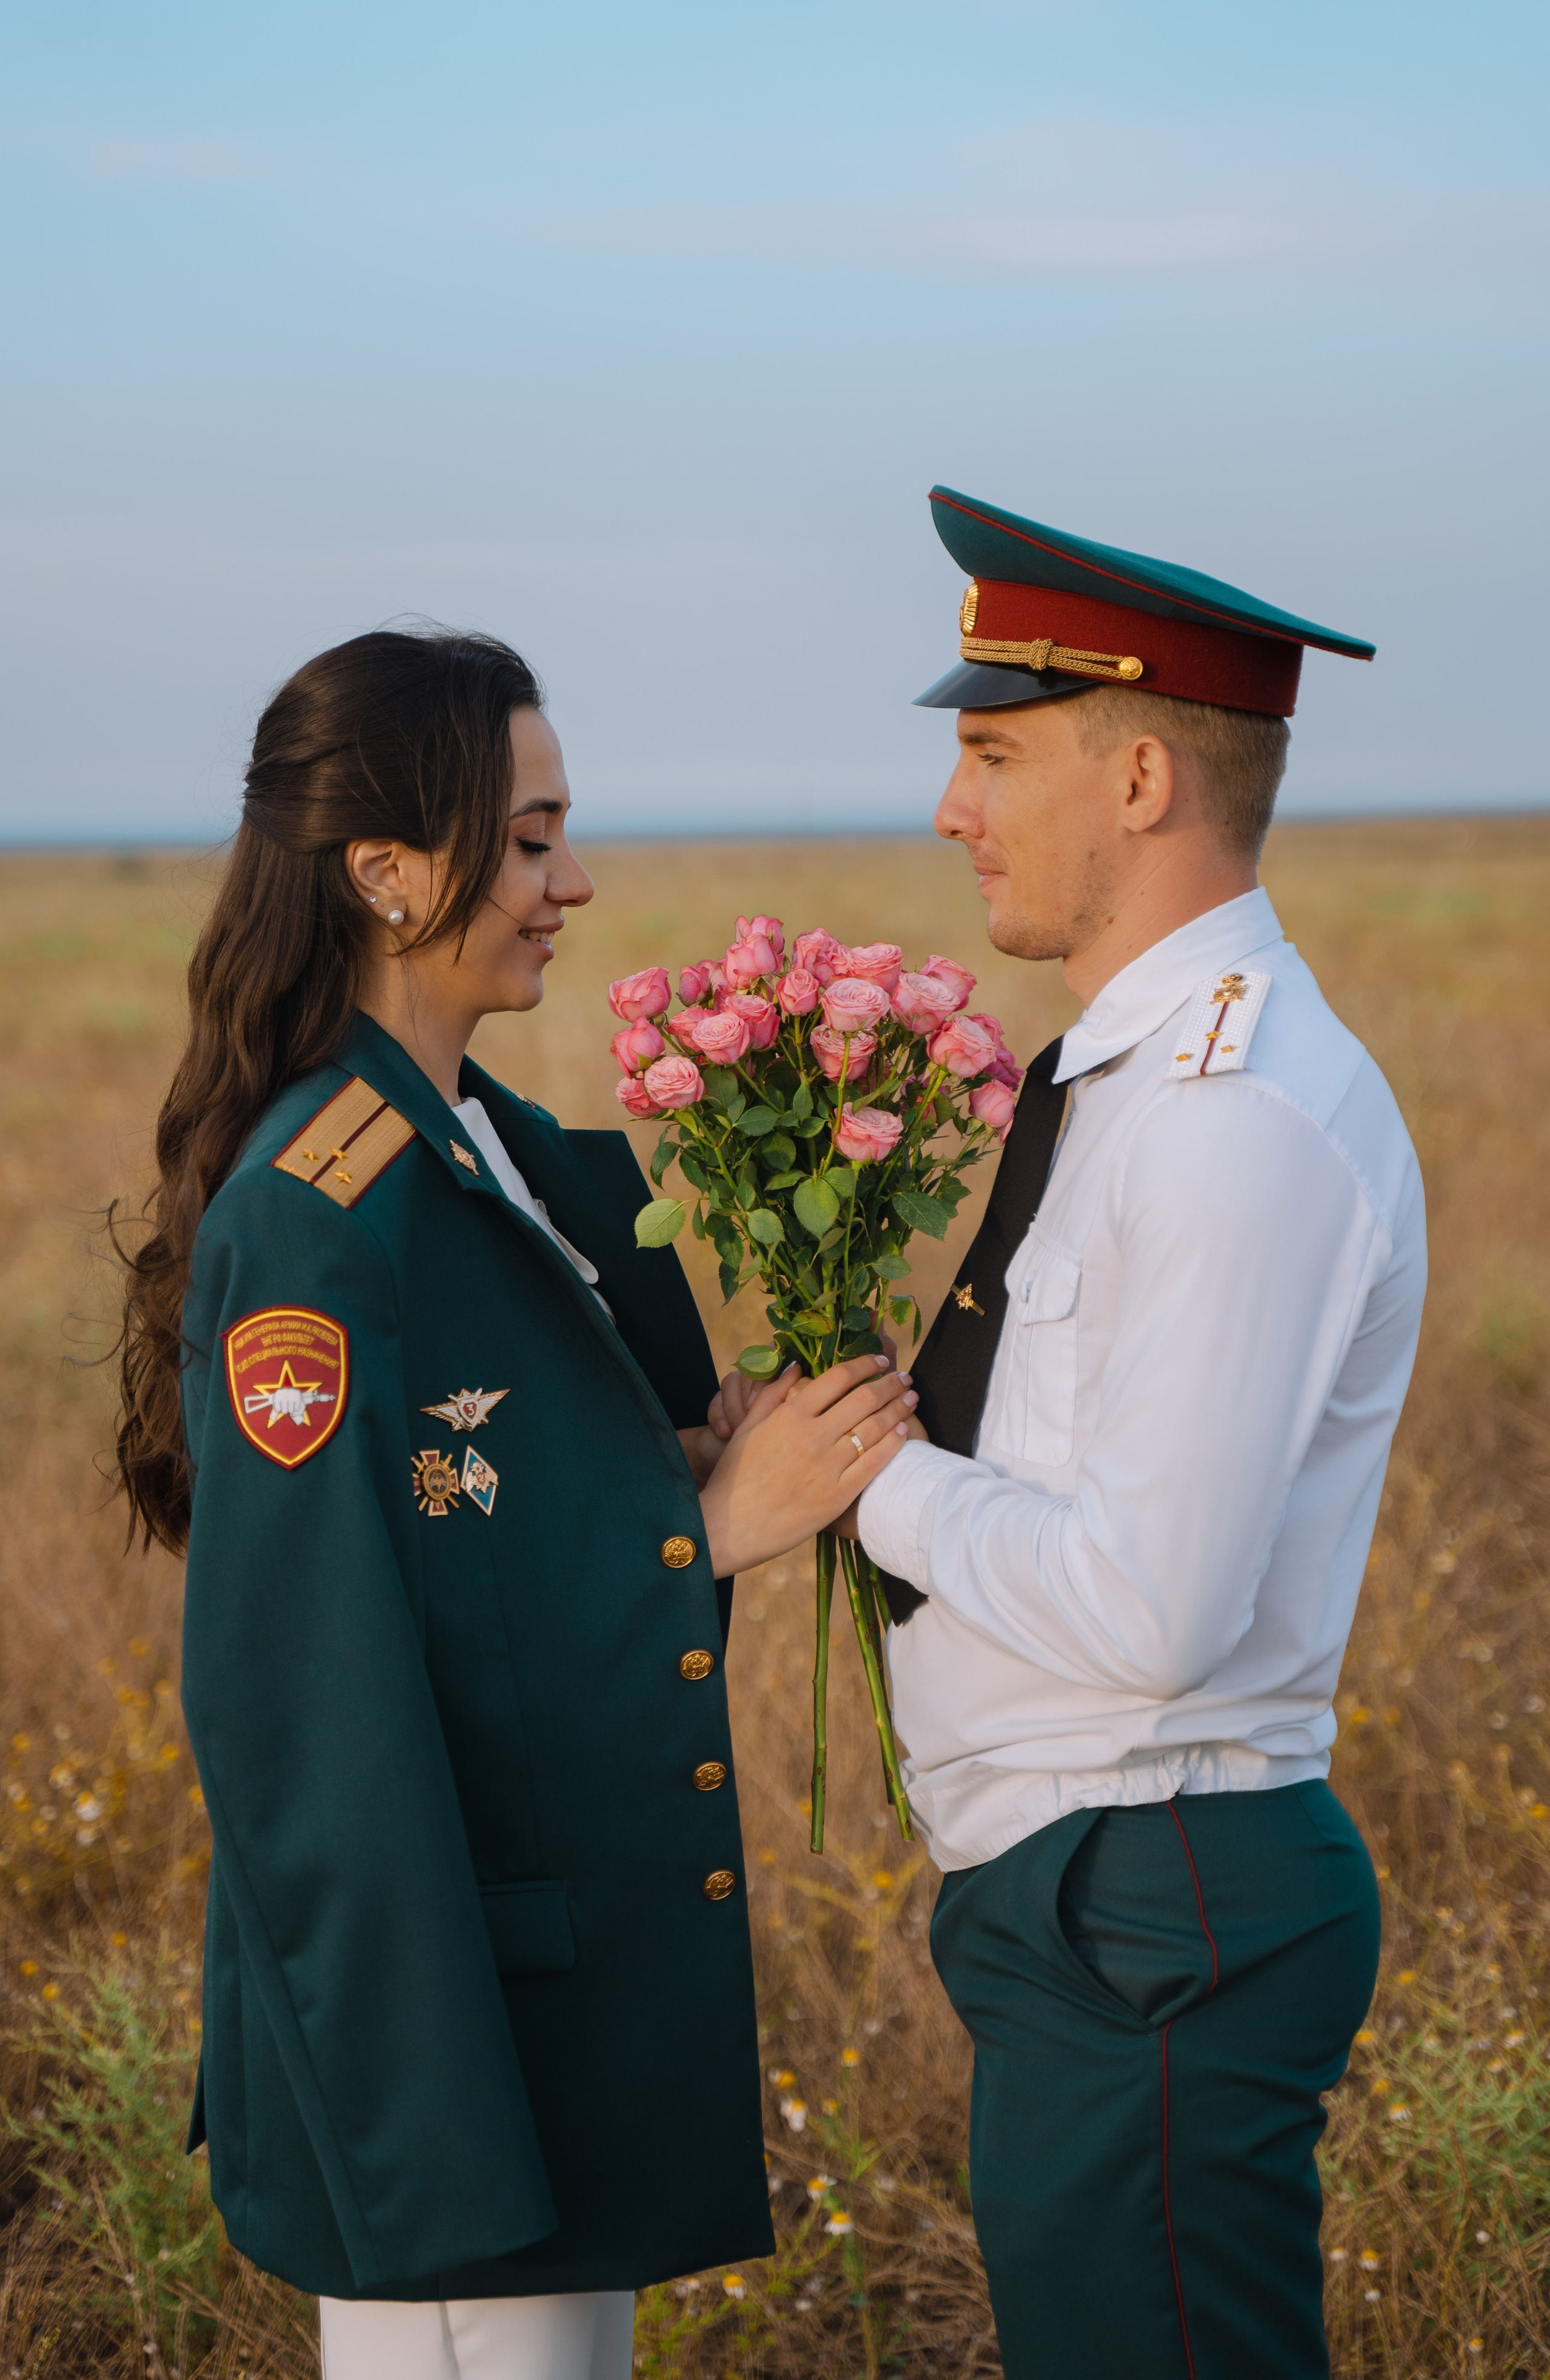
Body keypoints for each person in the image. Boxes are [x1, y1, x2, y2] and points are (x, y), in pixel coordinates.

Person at [112, 625, 917, 2380]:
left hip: (560, 2004)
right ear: (391, 870)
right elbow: (301, 1701)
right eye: (533, 837)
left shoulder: (490, 1155)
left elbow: (490, 1554)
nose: (575, 881)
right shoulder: (319, 1219)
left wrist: (687, 1475)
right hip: (458, 2060)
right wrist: (702, 1539)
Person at [849, 488, 1427, 2380]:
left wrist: (876, 1477)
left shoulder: (1228, 1120)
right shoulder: (1122, 1077)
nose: (955, 809)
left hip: (1152, 1903)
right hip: (1095, 1901)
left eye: (994, 754)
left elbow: (1155, 1613)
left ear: (1143, 779)